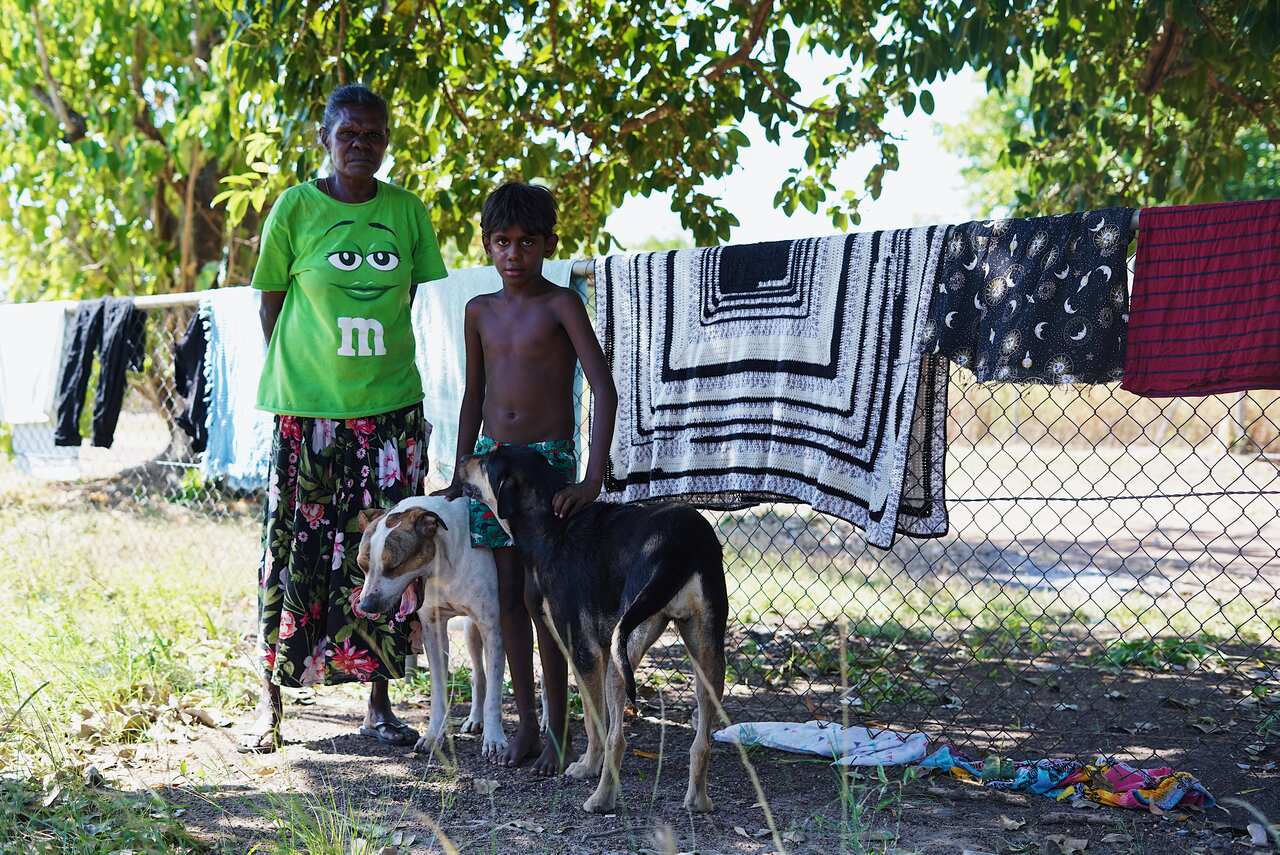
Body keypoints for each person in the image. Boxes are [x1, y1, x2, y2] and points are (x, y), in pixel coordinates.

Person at [239, 83, 448, 753]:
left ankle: (378, 705)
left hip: (388, 414)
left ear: (386, 143)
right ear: (324, 140)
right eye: (347, 134)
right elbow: (271, 302)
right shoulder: (295, 209)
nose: (360, 145)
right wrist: (307, 374)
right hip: (310, 415)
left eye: (373, 135)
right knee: (292, 550)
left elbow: (405, 298)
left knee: (387, 556)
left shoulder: (407, 212)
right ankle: (270, 705)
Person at [436, 182, 618, 775]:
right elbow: (472, 398)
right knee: (511, 596)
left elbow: (603, 388)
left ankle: (564, 731)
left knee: (550, 603)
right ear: (487, 246)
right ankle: (528, 727)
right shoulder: (479, 311)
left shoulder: (562, 304)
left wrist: (591, 479)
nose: (514, 254)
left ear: (549, 245)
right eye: (501, 242)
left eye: (527, 242)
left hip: (548, 467)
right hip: (492, 466)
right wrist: (463, 473)